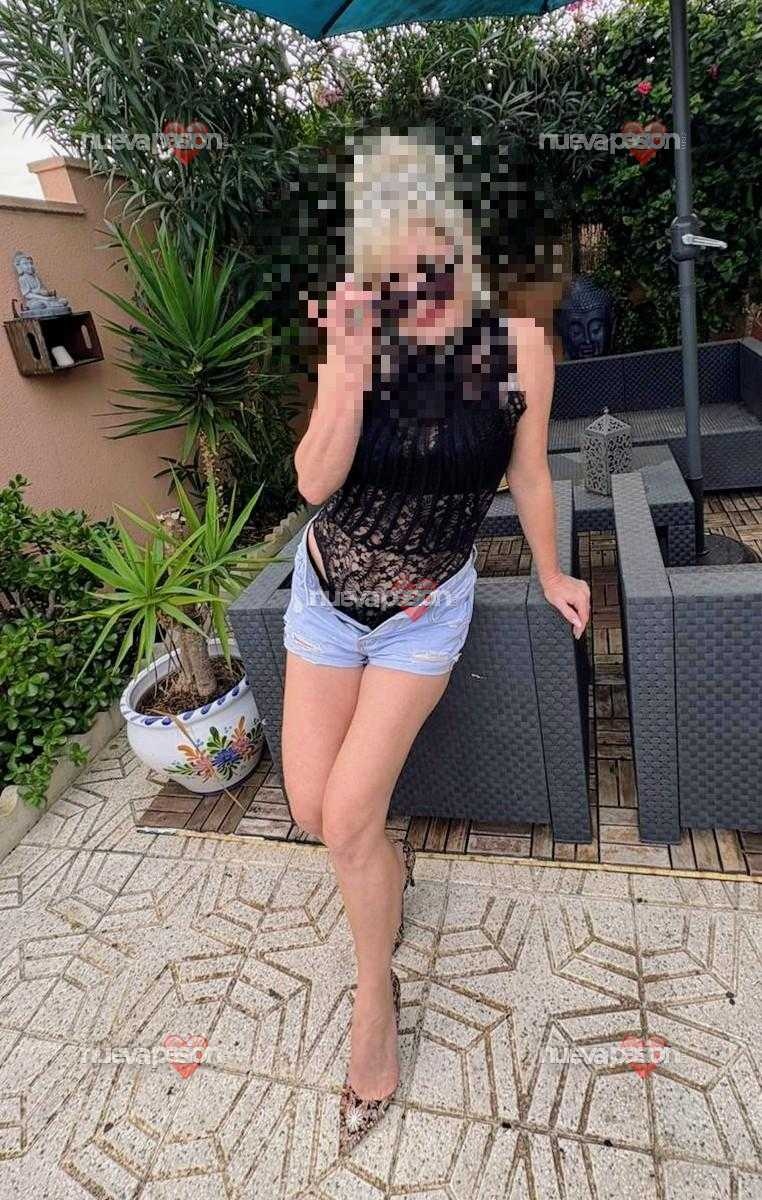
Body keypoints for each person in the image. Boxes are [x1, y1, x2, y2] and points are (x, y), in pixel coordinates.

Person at [281, 133, 590, 1154]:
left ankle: (375, 998)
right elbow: (314, 484)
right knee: (314, 810)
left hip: (422, 614)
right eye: (395, 281)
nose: (419, 295)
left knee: (346, 817)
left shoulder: (521, 351)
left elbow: (530, 474)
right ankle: (390, 868)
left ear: (465, 254)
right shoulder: (360, 346)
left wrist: (552, 569)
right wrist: (344, 373)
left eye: (435, 270)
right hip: (326, 597)